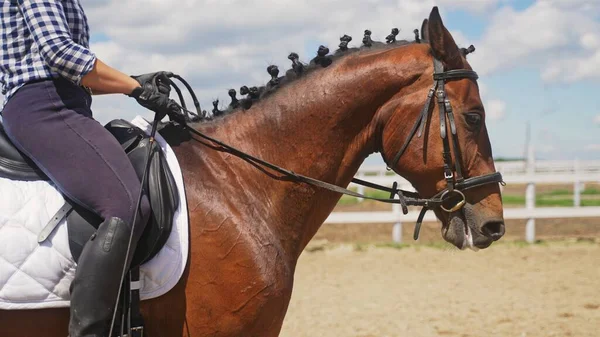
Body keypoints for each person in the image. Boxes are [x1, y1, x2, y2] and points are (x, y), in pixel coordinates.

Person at [0, 1, 178, 336]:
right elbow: (59, 53)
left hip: (67, 102)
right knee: (125, 205)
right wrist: (134, 87)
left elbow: (77, 74)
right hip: (44, 106)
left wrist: (134, 81)